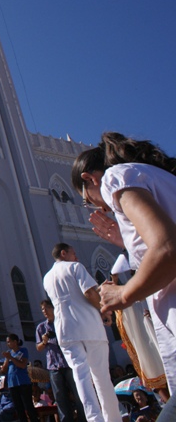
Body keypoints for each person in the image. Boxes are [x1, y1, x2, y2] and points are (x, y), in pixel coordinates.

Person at [71, 132, 176, 421]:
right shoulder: (157, 177)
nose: (97, 208)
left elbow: (167, 248)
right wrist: (128, 242)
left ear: (91, 178)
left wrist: (123, 294)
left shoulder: (116, 177)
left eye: (86, 200)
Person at [43, 243, 119, 422]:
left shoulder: (47, 278)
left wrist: (99, 290)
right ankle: (113, 418)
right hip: (88, 326)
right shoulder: (75, 267)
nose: (76, 256)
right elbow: (88, 293)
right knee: (101, 376)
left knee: (81, 376)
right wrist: (103, 309)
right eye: (73, 253)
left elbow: (71, 296)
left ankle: (94, 419)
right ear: (64, 253)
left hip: (65, 331)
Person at [109, 254, 169, 402]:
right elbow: (122, 303)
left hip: (164, 331)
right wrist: (114, 282)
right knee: (154, 369)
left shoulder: (157, 284)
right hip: (148, 337)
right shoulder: (132, 296)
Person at [36, 299, 87, 422]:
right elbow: (38, 347)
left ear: (53, 308)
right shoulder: (42, 327)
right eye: (43, 309)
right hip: (54, 366)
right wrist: (44, 341)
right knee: (60, 397)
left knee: (78, 393)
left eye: (47, 308)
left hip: (68, 363)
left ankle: (83, 418)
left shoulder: (62, 322)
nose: (45, 311)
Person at [0, 333, 38, 422]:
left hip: (23, 382)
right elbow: (4, 370)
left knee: (28, 405)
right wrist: (6, 359)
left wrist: (11, 358)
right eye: (7, 342)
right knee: (18, 407)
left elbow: (22, 365)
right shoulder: (9, 354)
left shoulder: (23, 350)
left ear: (15, 342)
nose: (8, 344)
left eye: (9, 342)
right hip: (12, 383)